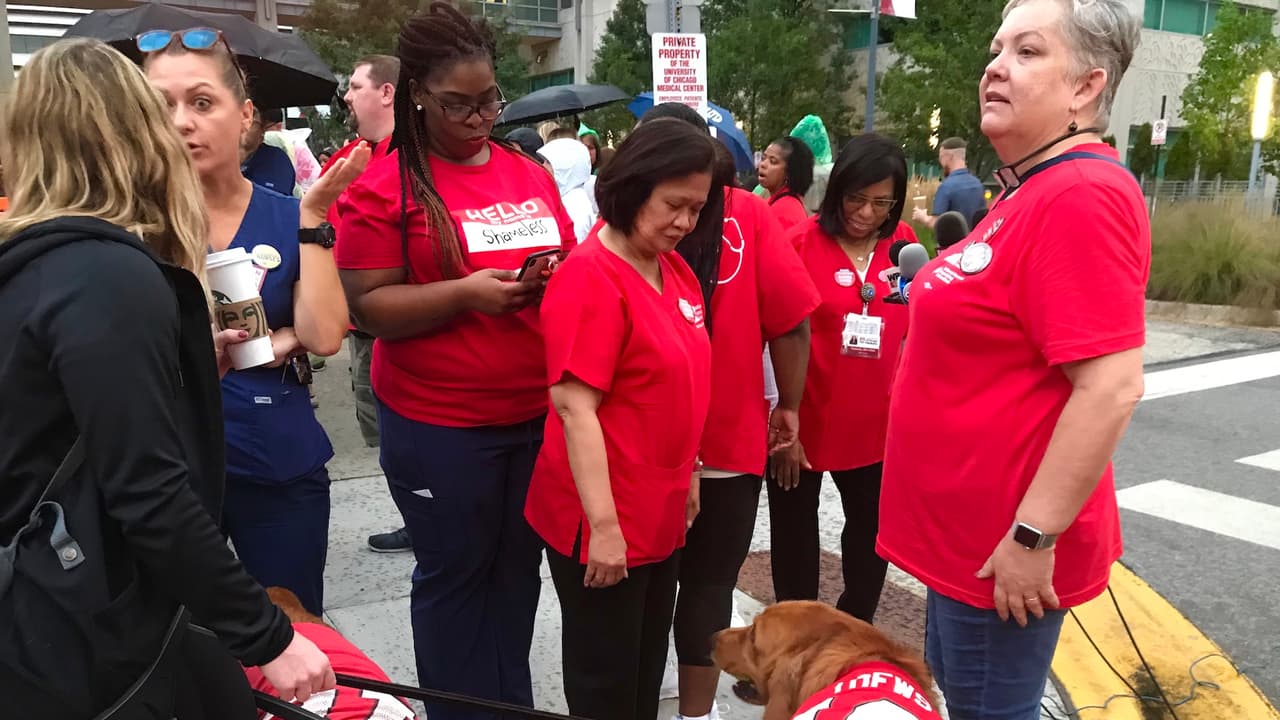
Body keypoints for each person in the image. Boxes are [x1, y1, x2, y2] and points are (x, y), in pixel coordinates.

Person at [0, 37, 354, 719]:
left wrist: (175, 374)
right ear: (131, 130)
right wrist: (268, 637)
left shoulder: (31, 257)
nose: (178, 128)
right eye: (158, 110)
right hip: (89, 630)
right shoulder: (107, 272)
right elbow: (147, 490)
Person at [878, 1, 1147, 718]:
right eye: (997, 50)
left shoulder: (1080, 195)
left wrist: (1033, 536)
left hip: (1002, 553)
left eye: (1028, 53)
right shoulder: (1030, 188)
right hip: (966, 544)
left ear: (1086, 87)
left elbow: (1111, 386)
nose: (995, 66)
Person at [334, 5, 576, 718]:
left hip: (531, 415)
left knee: (516, 575)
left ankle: (509, 705)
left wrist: (553, 279)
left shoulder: (525, 171)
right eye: (457, 104)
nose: (478, 119)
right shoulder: (385, 186)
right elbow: (367, 309)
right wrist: (466, 295)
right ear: (416, 94)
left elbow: (564, 253)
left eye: (489, 101)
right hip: (440, 428)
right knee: (456, 578)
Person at [145, 27, 350, 617]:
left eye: (202, 102)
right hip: (166, 468)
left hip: (275, 456)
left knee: (292, 628)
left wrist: (312, 222)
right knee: (181, 640)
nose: (182, 122)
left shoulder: (290, 215)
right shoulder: (131, 225)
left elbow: (326, 335)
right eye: (162, 107)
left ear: (245, 115)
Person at [524, 117, 720, 720]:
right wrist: (605, 528)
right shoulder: (591, 276)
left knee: (643, 664)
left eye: (696, 208)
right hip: (605, 512)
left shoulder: (672, 267)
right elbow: (574, 407)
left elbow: (680, 383)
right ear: (634, 188)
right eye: (674, 205)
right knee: (605, 677)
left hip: (657, 504)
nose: (685, 222)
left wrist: (689, 471)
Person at [636, 103, 821, 720]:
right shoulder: (750, 213)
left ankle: (640, 697)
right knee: (710, 585)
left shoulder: (633, 217)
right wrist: (788, 408)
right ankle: (696, 714)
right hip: (729, 437)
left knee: (648, 587)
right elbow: (793, 322)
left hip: (644, 440)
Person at [769, 134, 915, 625]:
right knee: (794, 542)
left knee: (870, 540)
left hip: (876, 426)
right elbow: (770, 335)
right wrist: (779, 419)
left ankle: (851, 635)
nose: (866, 213)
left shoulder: (906, 248)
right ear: (837, 191)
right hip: (800, 421)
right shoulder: (798, 244)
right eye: (856, 197)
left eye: (881, 202)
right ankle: (795, 643)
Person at [327, 53, 407, 553]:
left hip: (402, 324)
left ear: (386, 93)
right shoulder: (351, 156)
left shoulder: (414, 159)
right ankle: (415, 511)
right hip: (361, 325)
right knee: (377, 427)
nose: (348, 95)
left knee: (400, 429)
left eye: (356, 86)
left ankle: (425, 512)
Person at [912, 137, 987, 229]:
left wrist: (923, 217)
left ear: (948, 157)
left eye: (941, 157)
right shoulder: (977, 184)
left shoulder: (946, 187)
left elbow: (938, 224)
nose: (941, 162)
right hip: (976, 241)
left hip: (954, 242)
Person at [539, 137, 598, 244]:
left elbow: (575, 251)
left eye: (548, 162)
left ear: (563, 167)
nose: (543, 166)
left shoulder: (573, 207)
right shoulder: (571, 197)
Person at [758, 136, 816, 230]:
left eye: (773, 161)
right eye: (763, 158)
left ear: (789, 172)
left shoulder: (785, 211)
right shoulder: (776, 202)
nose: (763, 164)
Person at [242, 106, 297, 195]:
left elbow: (277, 202)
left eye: (250, 121)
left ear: (262, 131)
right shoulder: (217, 159)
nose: (243, 125)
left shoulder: (276, 160)